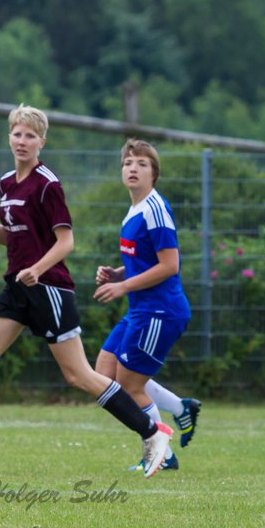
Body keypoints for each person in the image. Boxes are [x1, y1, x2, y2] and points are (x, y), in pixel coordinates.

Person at [0, 105, 173, 477]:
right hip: (17, 288)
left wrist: (38, 269)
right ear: (9, 137)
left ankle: (152, 433)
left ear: (41, 141)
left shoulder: (48, 184)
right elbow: (12, 238)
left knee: (79, 376)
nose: (22, 141)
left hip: (50, 289)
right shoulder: (7, 183)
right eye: (17, 133)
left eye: (30, 135)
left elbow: (66, 242)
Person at [91, 139, 200, 472]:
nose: (132, 168)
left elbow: (169, 265)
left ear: (154, 173)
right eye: (127, 163)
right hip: (141, 309)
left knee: (129, 385)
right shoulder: (135, 209)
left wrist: (122, 286)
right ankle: (180, 409)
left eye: (141, 163)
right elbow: (146, 259)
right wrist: (118, 271)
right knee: (102, 374)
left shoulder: (155, 209)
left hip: (160, 310)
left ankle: (161, 454)